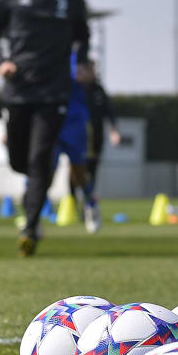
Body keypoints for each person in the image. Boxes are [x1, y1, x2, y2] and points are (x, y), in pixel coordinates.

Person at [0, 0, 90, 257]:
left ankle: (30, 226)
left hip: (54, 91)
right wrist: (0, 63)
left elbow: (82, 36)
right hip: (18, 91)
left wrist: (82, 62)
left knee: (40, 158)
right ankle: (32, 203)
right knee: (20, 160)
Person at [60, 58, 114, 233]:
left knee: (87, 172)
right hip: (70, 132)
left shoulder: (98, 91)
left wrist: (113, 130)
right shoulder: (67, 86)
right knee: (66, 172)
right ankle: (74, 205)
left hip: (91, 137)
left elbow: (109, 112)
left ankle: (89, 206)